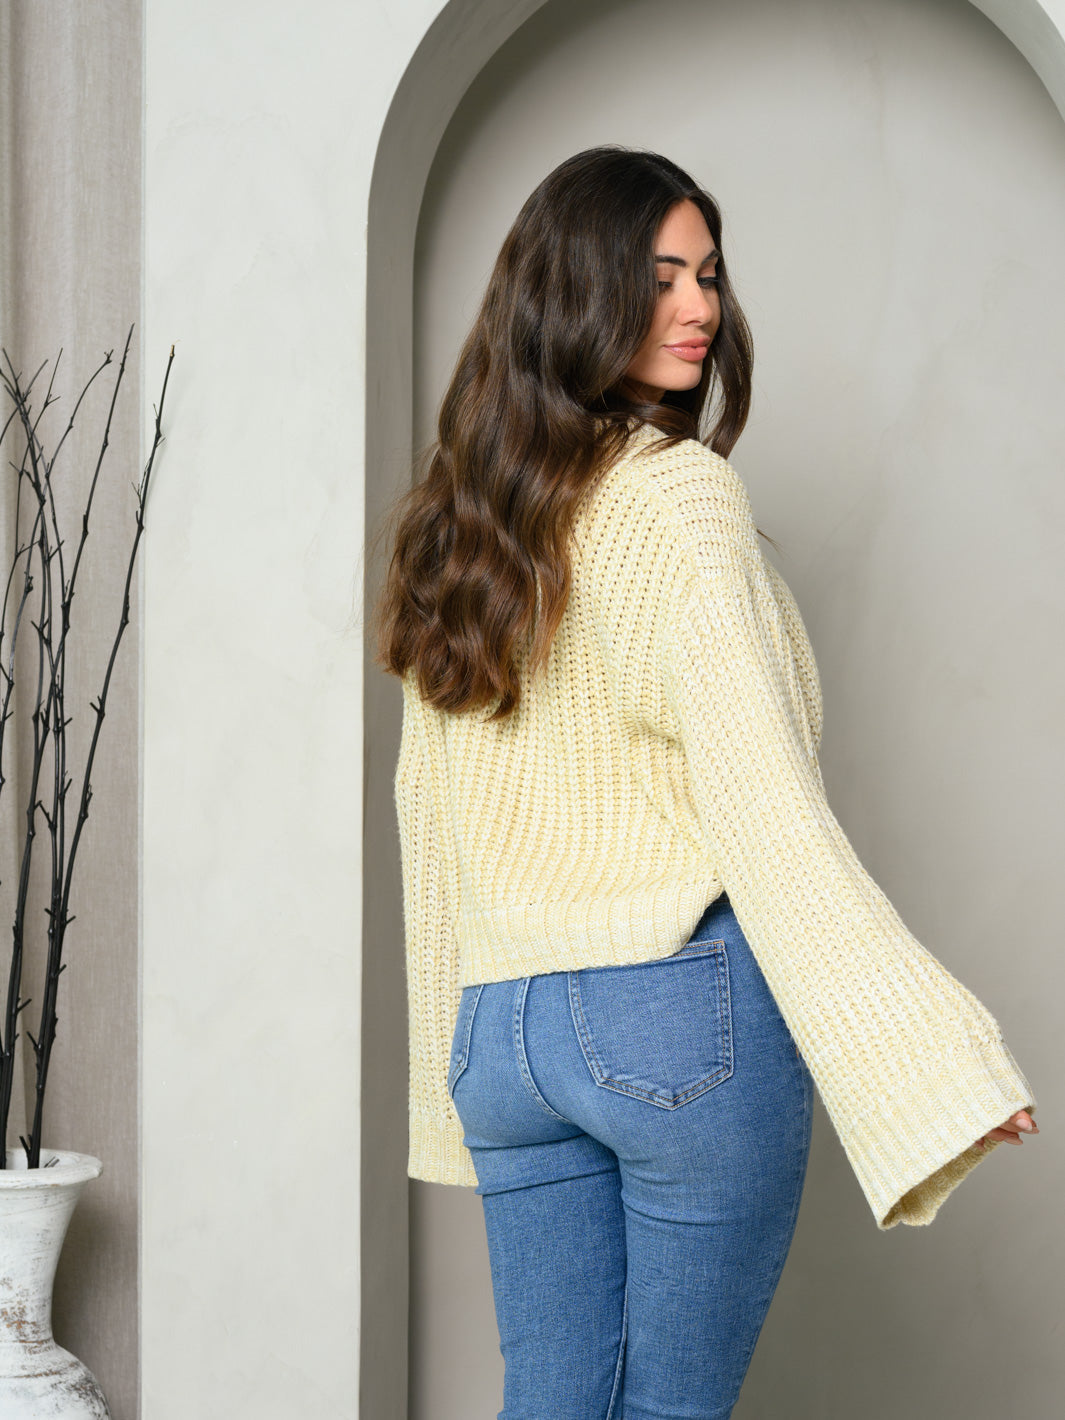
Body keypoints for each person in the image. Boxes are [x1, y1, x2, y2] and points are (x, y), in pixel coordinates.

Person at [373, 146, 1039, 1420]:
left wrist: (449, 1073)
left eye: (708, 275)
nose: (697, 307)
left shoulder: (458, 528)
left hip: (503, 1032)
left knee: (550, 1403)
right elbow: (763, 802)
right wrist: (927, 1056)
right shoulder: (677, 498)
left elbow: (431, 819)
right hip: (673, 1017)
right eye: (660, 274)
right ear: (577, 290)